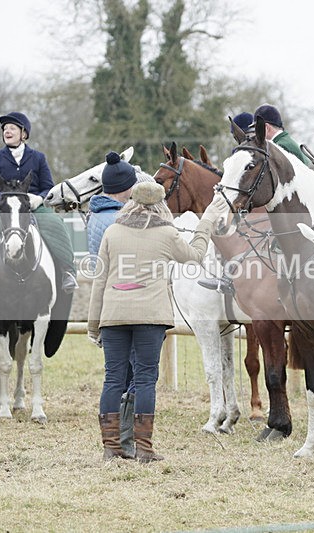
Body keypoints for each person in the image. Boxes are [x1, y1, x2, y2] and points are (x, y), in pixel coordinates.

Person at [88, 182, 230, 462]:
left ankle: (111, 446)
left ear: (132, 202)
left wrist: (94, 325)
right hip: (150, 317)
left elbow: (99, 281)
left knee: (113, 379)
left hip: (114, 315)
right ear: (160, 204)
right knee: (144, 380)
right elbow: (196, 257)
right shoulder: (167, 233)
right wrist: (206, 222)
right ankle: (143, 448)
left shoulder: (112, 232)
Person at [0, 112, 78, 293]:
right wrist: (3, 200)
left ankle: (68, 272)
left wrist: (39, 198)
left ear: (24, 133)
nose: (7, 131)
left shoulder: (38, 157)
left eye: (12, 128)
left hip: (32, 206)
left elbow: (48, 188)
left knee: (55, 222)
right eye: (5, 129)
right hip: (4, 207)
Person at [86, 150, 138, 459]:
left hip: (105, 302)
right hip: (126, 299)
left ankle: (112, 443)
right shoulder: (119, 218)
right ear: (126, 188)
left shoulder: (96, 213)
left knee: (113, 374)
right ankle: (125, 440)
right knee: (133, 375)